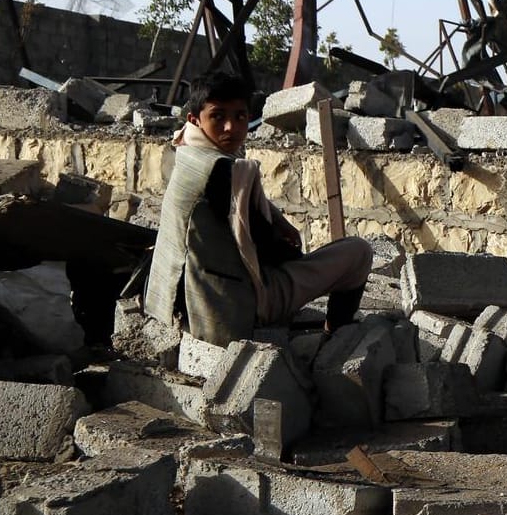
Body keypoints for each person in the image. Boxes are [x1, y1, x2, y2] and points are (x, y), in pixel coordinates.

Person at [145, 71, 373, 346]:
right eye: (218, 116)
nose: (231, 127)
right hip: (226, 305)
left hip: (178, 296)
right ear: (195, 119)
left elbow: (238, 206)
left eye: (240, 117)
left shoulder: (187, 150)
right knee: (357, 252)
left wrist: (278, 222)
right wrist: (295, 255)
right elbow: (268, 247)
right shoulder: (221, 170)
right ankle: (335, 340)